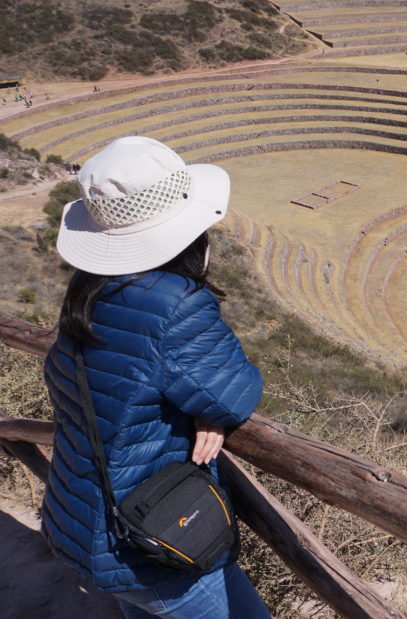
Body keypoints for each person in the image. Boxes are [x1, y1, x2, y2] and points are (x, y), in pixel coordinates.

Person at [40, 136, 270, 618]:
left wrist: (201, 407)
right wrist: (211, 413)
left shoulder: (86, 290)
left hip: (79, 519)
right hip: (150, 539)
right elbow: (236, 392)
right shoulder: (175, 304)